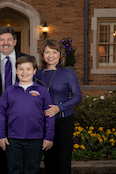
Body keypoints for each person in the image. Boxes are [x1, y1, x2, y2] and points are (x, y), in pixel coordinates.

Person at [0, 55, 55, 174]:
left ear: (34, 71)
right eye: (21, 69)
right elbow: (1, 113)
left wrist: (49, 137)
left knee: (33, 170)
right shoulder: (9, 91)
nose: (24, 72)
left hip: (35, 138)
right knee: (13, 170)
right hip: (13, 139)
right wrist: (1, 135)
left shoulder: (42, 91)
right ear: (16, 71)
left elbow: (49, 115)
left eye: (28, 69)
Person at [34, 39, 82, 174]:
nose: (50, 55)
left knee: (63, 157)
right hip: (43, 120)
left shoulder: (68, 74)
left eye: (54, 52)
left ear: (60, 55)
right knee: (48, 157)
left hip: (63, 119)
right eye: (47, 52)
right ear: (42, 55)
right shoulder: (37, 74)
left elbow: (77, 96)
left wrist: (58, 108)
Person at [0, 26, 26, 174]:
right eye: (2, 40)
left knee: (21, 149)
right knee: (0, 149)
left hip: (22, 113)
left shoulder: (26, 60)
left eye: (9, 39)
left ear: (15, 41)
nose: (5, 43)